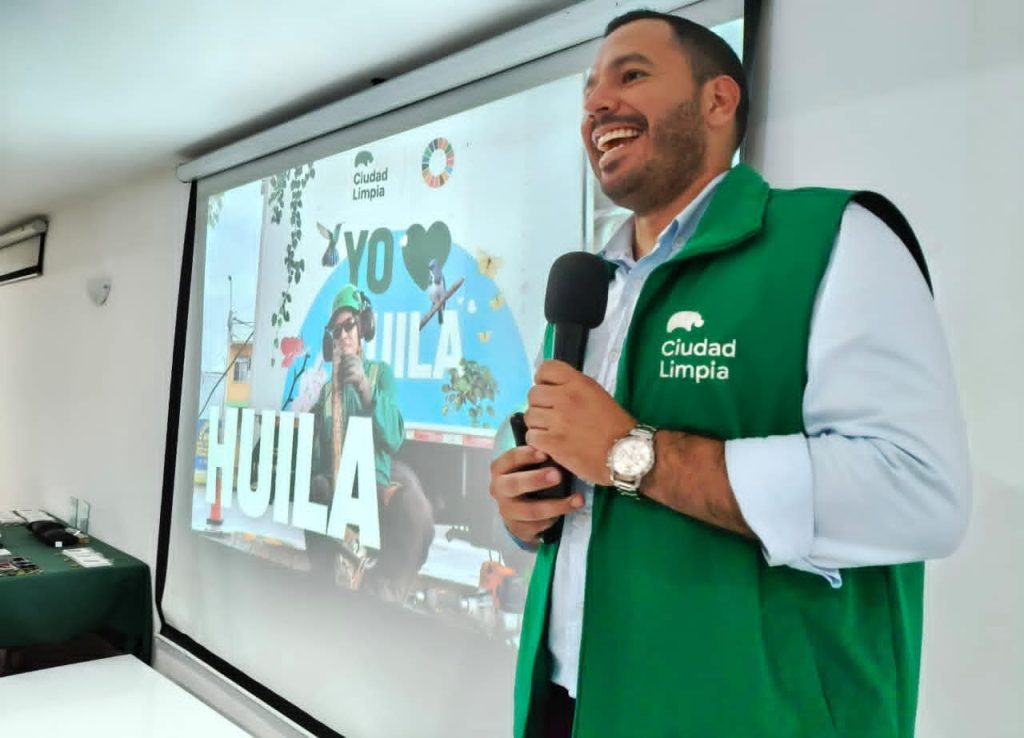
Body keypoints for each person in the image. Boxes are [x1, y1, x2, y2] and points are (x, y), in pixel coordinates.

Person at [489, 11, 970, 738]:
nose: (597, 105)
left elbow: (921, 494)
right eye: (589, 91)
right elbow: (569, 458)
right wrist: (524, 506)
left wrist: (631, 455)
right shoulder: (593, 288)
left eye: (631, 75)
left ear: (718, 100)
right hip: (566, 706)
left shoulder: (836, 238)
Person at [307, 284, 434, 602]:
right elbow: (318, 458)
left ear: (363, 327)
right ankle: (323, 587)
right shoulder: (326, 392)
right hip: (338, 488)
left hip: (375, 486)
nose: (343, 335)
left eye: (349, 325)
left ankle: (386, 594)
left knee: (416, 511)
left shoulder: (380, 374)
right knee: (316, 487)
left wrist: (365, 389)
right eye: (336, 331)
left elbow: (394, 437)